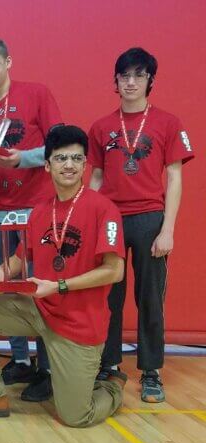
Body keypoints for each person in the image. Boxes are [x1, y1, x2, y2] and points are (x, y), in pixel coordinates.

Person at [0, 125, 126, 427]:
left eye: (76, 158)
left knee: (75, 416)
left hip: (78, 324)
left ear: (86, 164)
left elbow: (115, 270)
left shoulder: (103, 208)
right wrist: (2, 269)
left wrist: (58, 285)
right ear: (47, 165)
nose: (69, 165)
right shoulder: (40, 211)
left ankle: (111, 385)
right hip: (39, 309)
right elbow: (22, 257)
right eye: (61, 158)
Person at [88, 47, 195, 403]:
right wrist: (87, 219)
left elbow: (176, 178)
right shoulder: (101, 127)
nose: (130, 81)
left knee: (149, 297)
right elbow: (98, 177)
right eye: (124, 76)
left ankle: (151, 371)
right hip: (111, 218)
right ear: (115, 81)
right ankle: (109, 363)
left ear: (150, 80)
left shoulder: (168, 122)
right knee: (109, 296)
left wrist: (168, 229)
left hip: (150, 217)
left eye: (138, 75)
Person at [0, 37, 63, 400]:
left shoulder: (36, 93)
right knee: (7, 287)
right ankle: (20, 360)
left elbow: (60, 145)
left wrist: (21, 159)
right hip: (0, 210)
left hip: (40, 207)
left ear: (8, 61)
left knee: (40, 285)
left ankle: (48, 366)